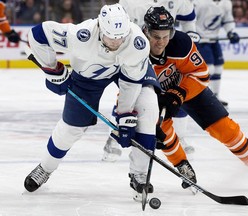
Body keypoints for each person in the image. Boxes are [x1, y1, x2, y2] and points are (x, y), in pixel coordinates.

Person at [24, 3, 160, 199]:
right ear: (100, 28)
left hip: (129, 72)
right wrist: (53, 70)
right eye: (111, 38)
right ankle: (45, 167)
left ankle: (139, 173)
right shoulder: (81, 35)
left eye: (120, 38)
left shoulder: (136, 42)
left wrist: (125, 114)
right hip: (88, 77)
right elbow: (38, 34)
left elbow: (131, 83)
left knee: (148, 107)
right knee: (71, 129)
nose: (116, 43)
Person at [143, 6, 248, 189]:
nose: (161, 42)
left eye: (165, 36)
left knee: (226, 128)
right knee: (163, 131)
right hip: (155, 93)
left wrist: (179, 92)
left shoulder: (181, 43)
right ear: (146, 31)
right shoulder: (136, 49)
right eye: (156, 37)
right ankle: (182, 165)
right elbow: (128, 85)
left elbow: (201, 75)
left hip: (186, 88)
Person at [102, 0, 198, 162]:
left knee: (175, 93)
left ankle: (180, 137)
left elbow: (189, 16)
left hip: (166, 52)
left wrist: (191, 33)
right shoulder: (130, 2)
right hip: (137, 54)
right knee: (130, 94)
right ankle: (115, 137)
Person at [193, 0, 240, 107]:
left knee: (218, 68)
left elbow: (228, 19)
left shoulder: (226, 3)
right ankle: (203, 98)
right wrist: (194, 34)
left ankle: (215, 96)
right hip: (202, 41)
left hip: (214, 40)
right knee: (208, 69)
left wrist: (230, 32)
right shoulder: (199, 2)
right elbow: (191, 20)